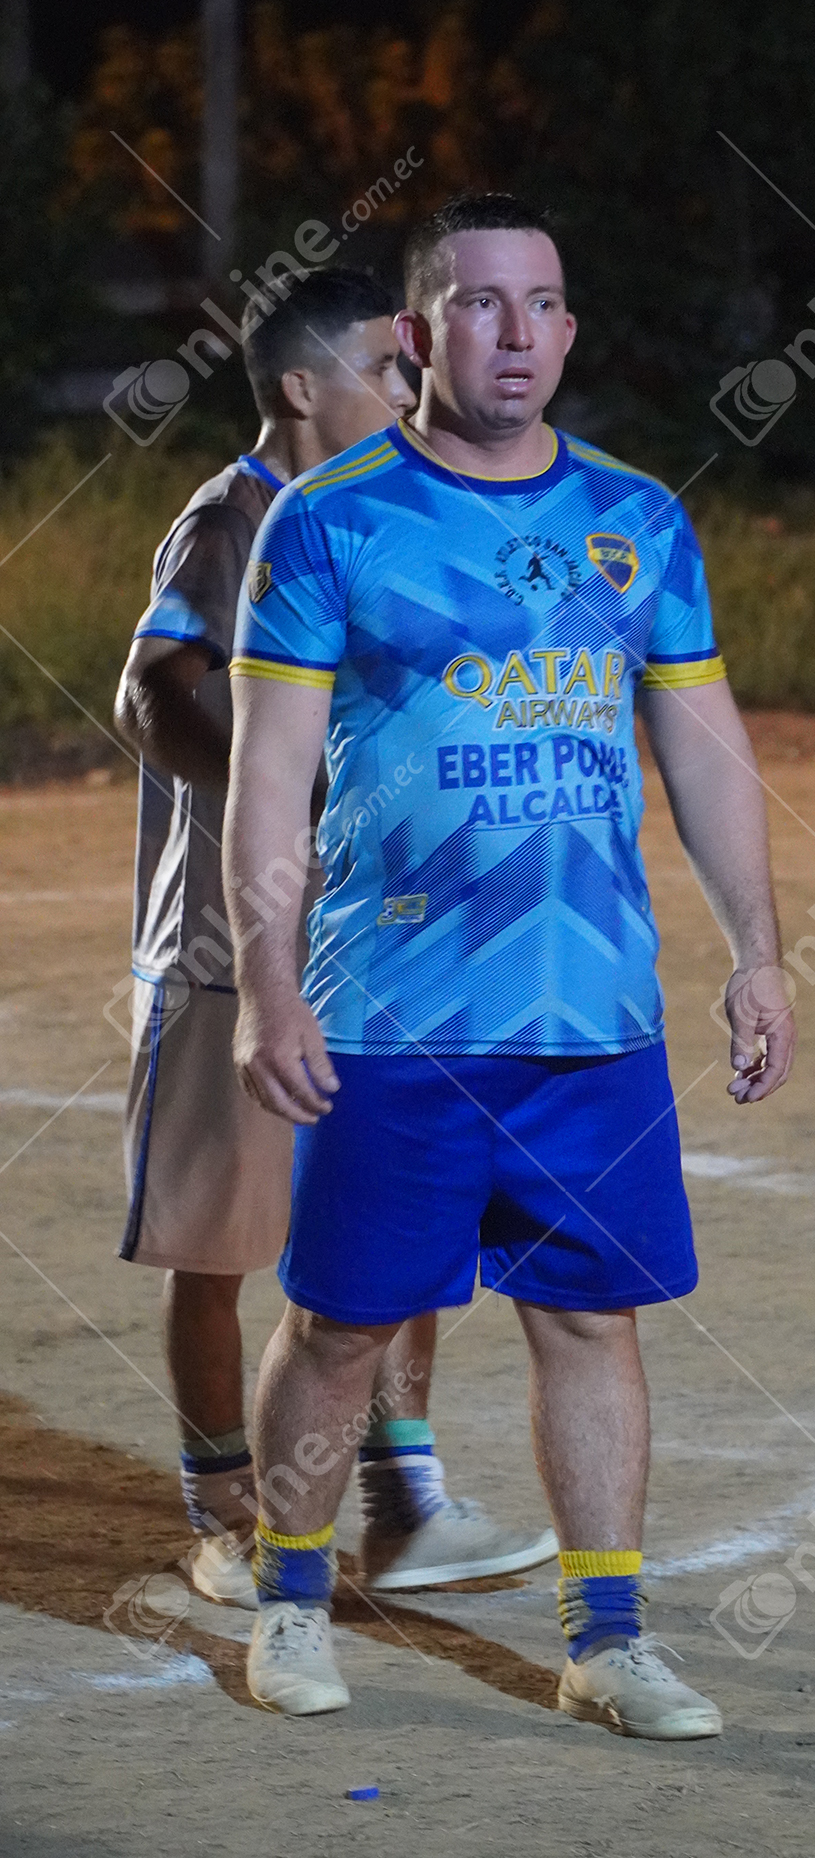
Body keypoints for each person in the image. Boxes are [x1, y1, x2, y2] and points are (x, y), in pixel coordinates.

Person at [224, 194, 796, 1736]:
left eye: (542, 304)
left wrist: (759, 953)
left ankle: (605, 1642)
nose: (517, 333)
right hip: (392, 1013)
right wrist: (268, 983)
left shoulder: (638, 520)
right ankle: (289, 1599)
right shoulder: (328, 521)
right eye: (481, 304)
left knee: (593, 1322)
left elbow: (707, 749)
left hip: (591, 1015)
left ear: (571, 329)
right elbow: (266, 785)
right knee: (342, 1326)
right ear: (420, 334)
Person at [114, 264, 557, 1613]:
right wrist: (305, 789)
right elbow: (152, 691)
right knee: (218, 1245)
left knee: (398, 1221)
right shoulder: (234, 515)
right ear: (303, 388)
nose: (413, 381)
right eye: (387, 362)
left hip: (377, 945)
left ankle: (401, 1502)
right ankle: (224, 1510)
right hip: (226, 951)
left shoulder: (389, 514)